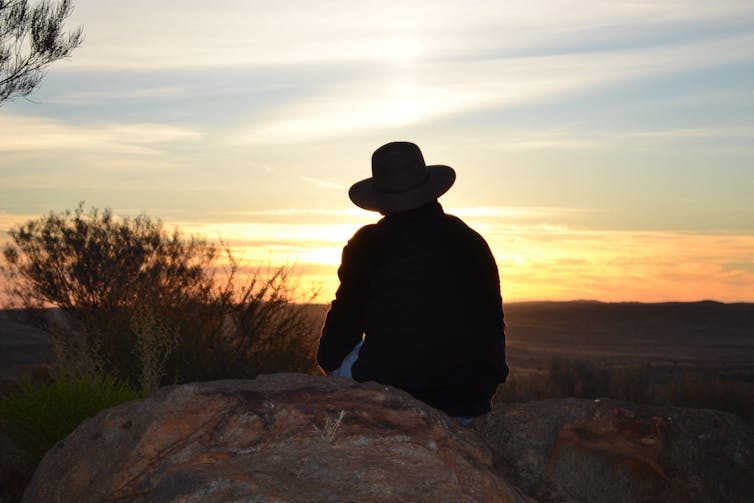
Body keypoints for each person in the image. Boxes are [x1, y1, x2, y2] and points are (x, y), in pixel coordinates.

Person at [317, 141, 508, 419]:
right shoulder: (471, 240)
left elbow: (340, 334)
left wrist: (332, 365)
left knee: (344, 363)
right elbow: (491, 325)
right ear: (430, 188)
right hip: (468, 401)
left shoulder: (369, 244)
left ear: (380, 200)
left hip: (395, 394)